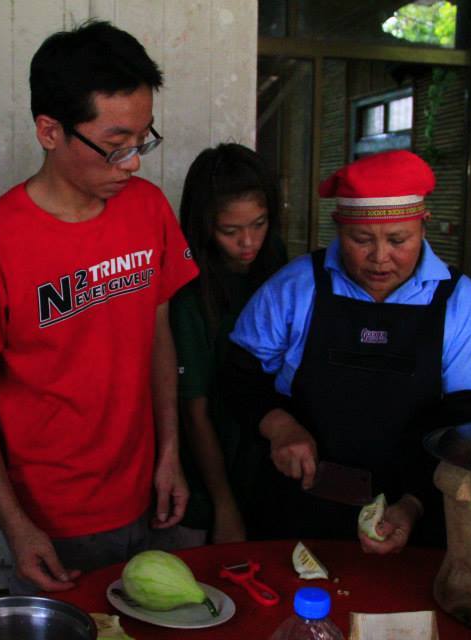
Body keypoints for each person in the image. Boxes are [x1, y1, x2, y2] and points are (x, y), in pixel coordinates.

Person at [0, 20, 198, 594]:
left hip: (144, 493)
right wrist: (16, 524)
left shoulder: (147, 209)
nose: (133, 164)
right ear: (49, 131)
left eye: (144, 140)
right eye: (115, 145)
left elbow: (159, 331)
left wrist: (171, 451)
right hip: (52, 516)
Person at [228, 150, 471, 552]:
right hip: (297, 505)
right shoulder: (298, 286)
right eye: (361, 240)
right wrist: (279, 426)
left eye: (398, 240)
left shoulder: (459, 302)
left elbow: (468, 420)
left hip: (410, 509)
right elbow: (236, 374)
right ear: (338, 229)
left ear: (422, 228)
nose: (380, 257)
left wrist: (413, 504)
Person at [167, 144, 286, 545]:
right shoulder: (188, 294)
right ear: (204, 227)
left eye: (259, 223)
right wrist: (223, 504)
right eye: (230, 231)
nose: (248, 242)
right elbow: (193, 409)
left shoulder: (279, 269)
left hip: (265, 466)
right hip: (205, 475)